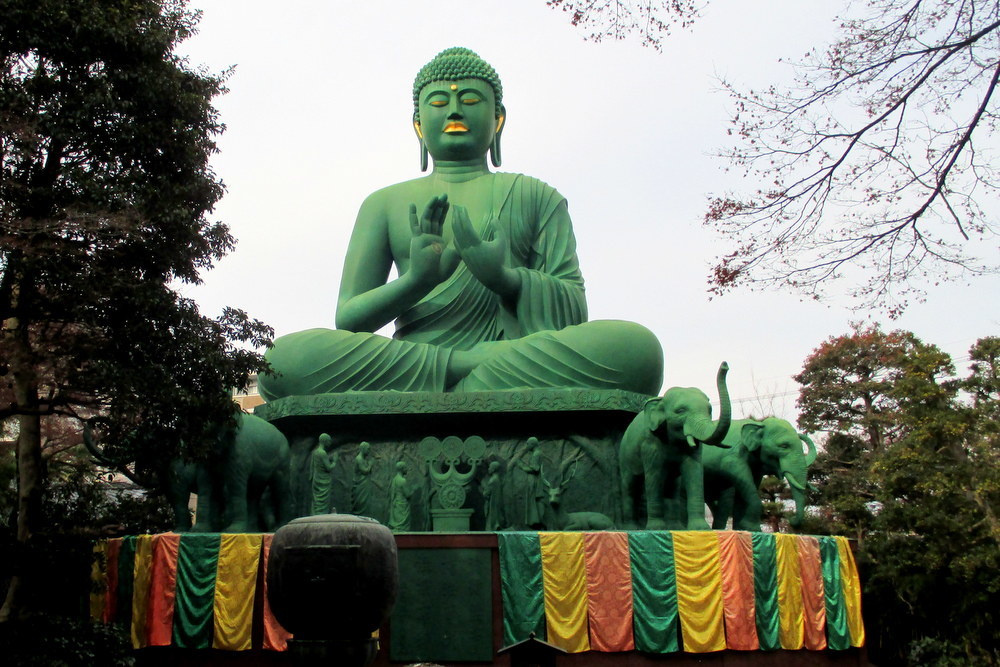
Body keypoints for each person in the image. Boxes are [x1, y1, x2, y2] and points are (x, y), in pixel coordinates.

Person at [259, 47, 662, 400]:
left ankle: (453, 384)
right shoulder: (383, 203)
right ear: (418, 125)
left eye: (470, 100)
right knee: (281, 362)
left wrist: (507, 279)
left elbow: (573, 310)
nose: (454, 111)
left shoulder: (537, 196)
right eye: (438, 102)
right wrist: (416, 281)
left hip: (507, 357)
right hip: (420, 361)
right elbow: (349, 320)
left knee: (637, 350)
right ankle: (465, 371)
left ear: (498, 118)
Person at [309, 433, 337, 515]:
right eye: (329, 441)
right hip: (323, 481)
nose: (330, 443)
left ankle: (315, 515)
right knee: (322, 502)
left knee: (316, 501)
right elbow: (329, 468)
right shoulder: (322, 453)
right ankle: (321, 516)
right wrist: (335, 461)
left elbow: (313, 467)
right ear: (325, 441)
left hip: (316, 479)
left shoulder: (315, 452)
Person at [388, 460, 415, 531]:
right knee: (402, 527)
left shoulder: (395, 479)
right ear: (402, 469)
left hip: (397, 504)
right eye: (405, 468)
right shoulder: (402, 480)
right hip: (402, 505)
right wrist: (413, 490)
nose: (407, 469)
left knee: (398, 525)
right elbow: (408, 495)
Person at [351, 441, 374, 517]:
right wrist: (370, 464)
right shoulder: (359, 458)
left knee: (365, 503)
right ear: (363, 449)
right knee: (360, 502)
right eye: (368, 449)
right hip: (360, 485)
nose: (369, 451)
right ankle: (359, 517)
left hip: (365, 485)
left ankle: (364, 517)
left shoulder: (364, 459)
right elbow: (365, 471)